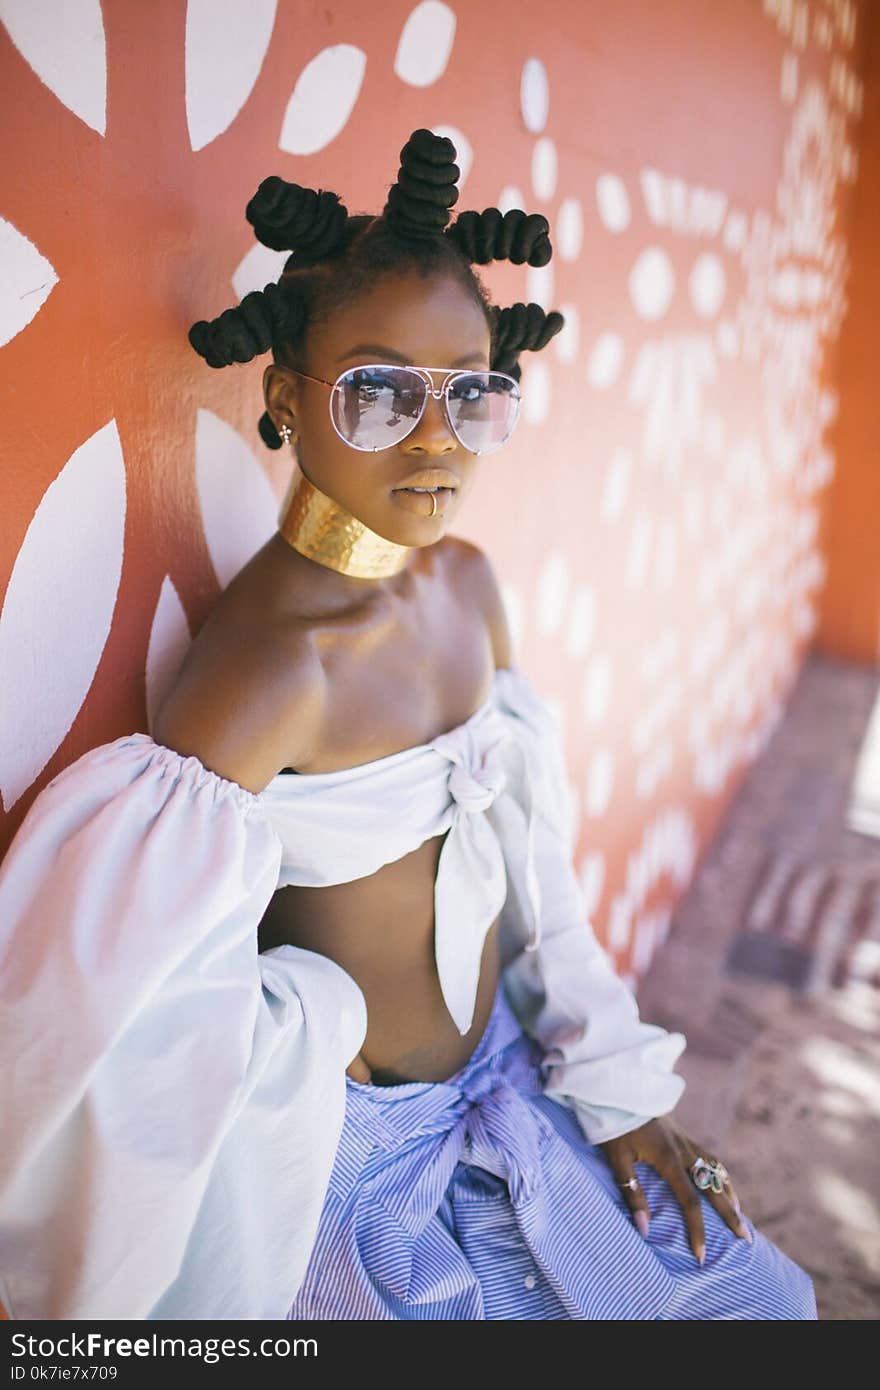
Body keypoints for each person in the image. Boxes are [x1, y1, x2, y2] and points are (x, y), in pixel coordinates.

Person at [0, 129, 817, 1321]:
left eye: (471, 391)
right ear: (286, 395)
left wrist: (616, 1089)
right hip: (345, 1157)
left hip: (507, 1088)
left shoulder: (471, 586)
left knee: (761, 1307)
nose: (435, 436)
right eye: (379, 390)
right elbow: (129, 1013)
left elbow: (533, 871)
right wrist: (315, 1023)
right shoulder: (270, 672)